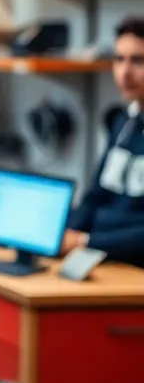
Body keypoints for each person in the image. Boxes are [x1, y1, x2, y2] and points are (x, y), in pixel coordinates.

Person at [62, 16, 144, 268]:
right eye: (119, 59)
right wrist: (66, 237)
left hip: (129, 261)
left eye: (138, 60)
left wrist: (86, 241)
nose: (125, 72)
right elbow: (95, 195)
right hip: (100, 253)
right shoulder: (123, 123)